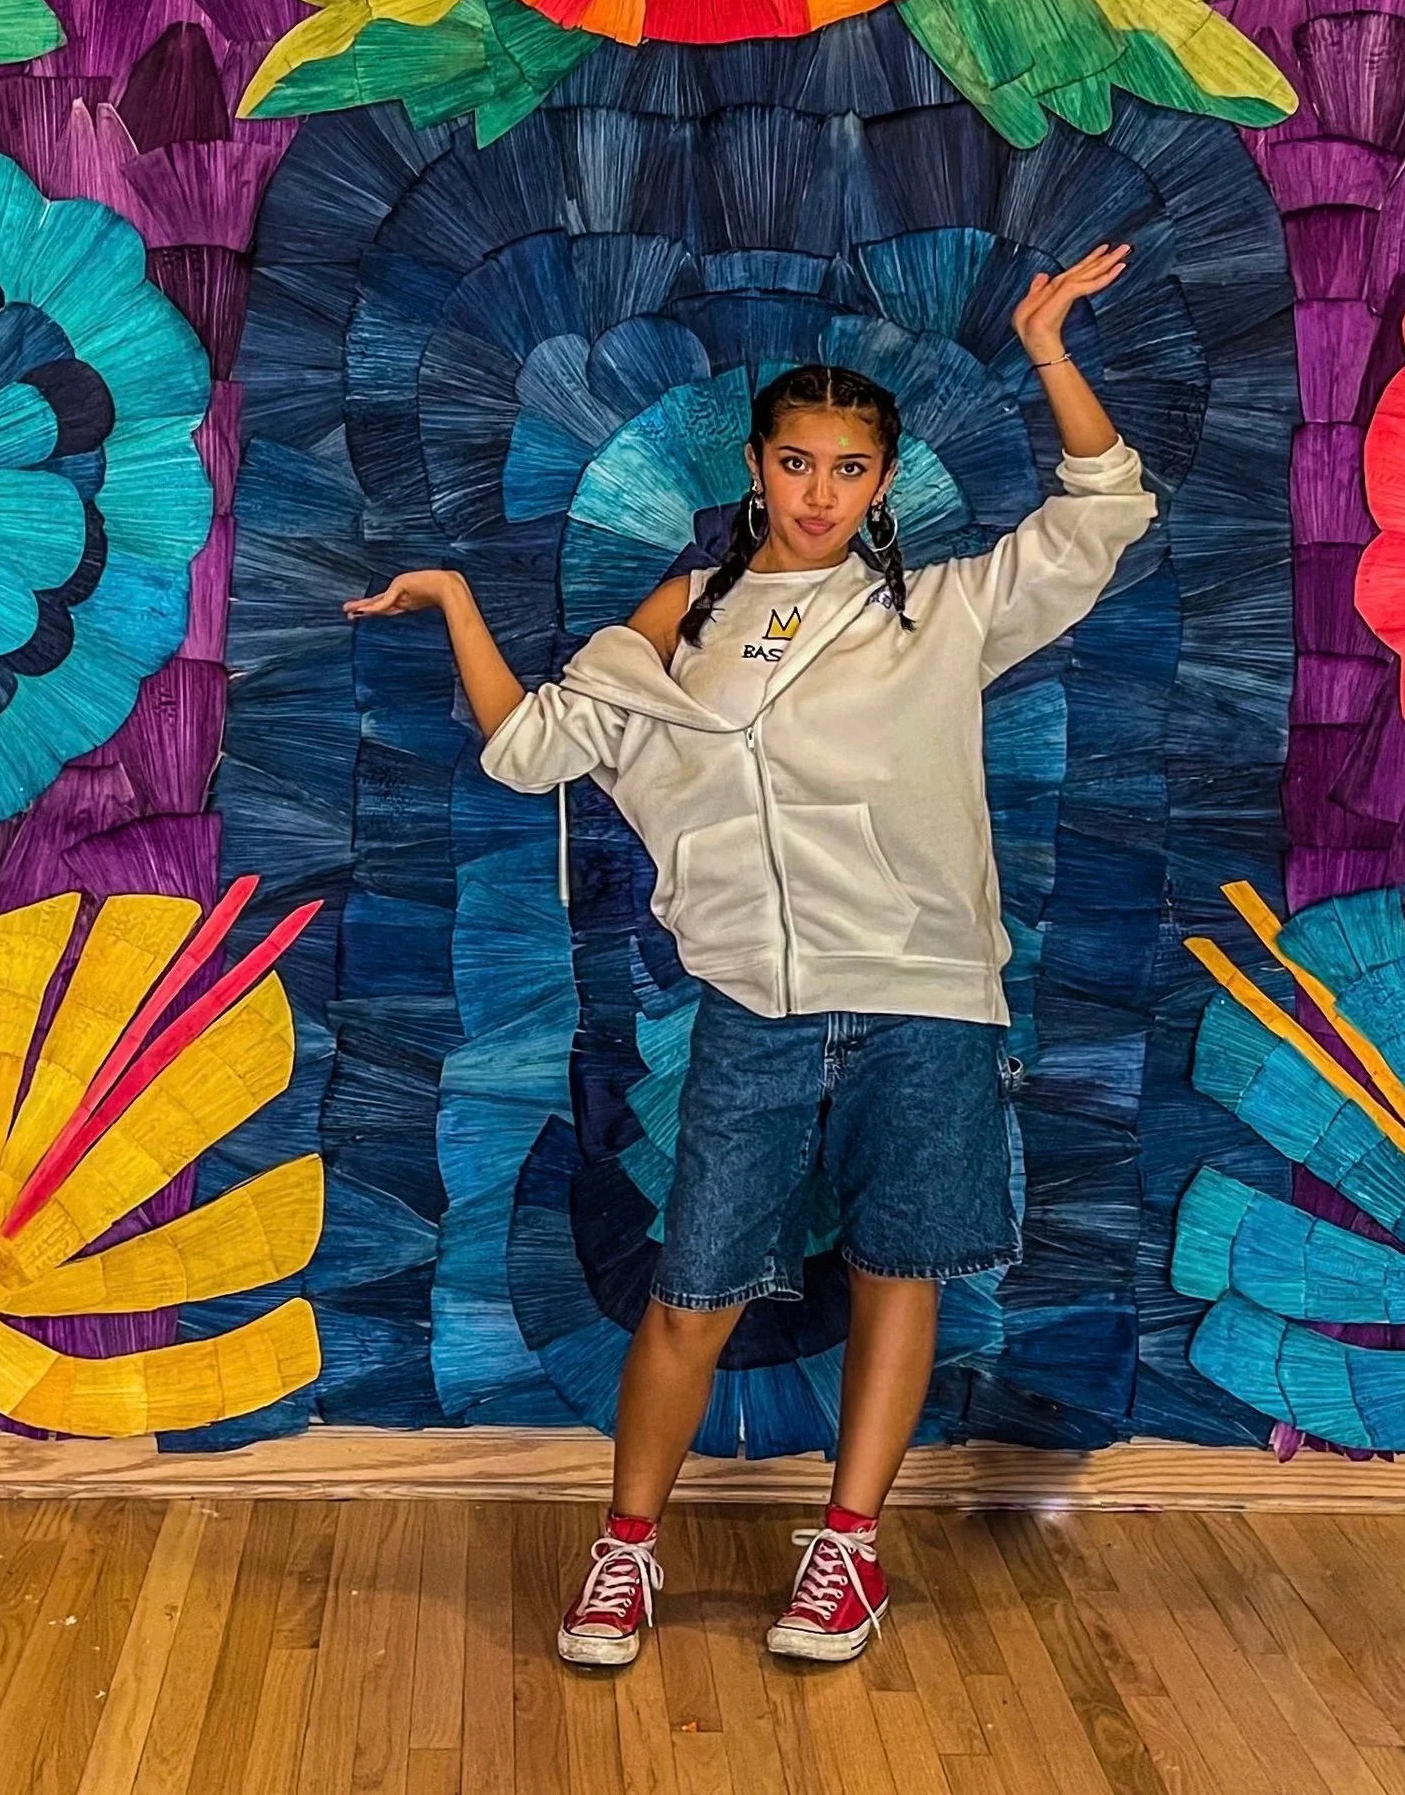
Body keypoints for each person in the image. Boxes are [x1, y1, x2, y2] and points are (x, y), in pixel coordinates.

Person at [345, 244, 1154, 1669]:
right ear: (757, 463)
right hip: (756, 1012)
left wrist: (1047, 349)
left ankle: (847, 1557)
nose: (821, 492)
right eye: (798, 462)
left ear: (884, 480)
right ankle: (625, 1554)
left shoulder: (941, 612)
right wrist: (463, 604)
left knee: (905, 1270)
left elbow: (1101, 513)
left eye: (851, 469)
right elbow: (535, 749)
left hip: (925, 1005)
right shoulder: (689, 621)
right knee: (693, 1291)